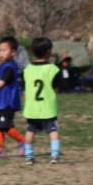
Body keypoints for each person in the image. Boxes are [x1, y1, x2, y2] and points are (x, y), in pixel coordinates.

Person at [21, 36, 63, 165]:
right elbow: (56, 89)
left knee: (30, 131)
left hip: (32, 109)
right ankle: (55, 155)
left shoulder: (27, 70)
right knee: (53, 131)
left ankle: (29, 156)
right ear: (48, 52)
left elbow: (25, 91)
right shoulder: (53, 70)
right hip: (47, 108)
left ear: (32, 52)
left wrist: (27, 105)